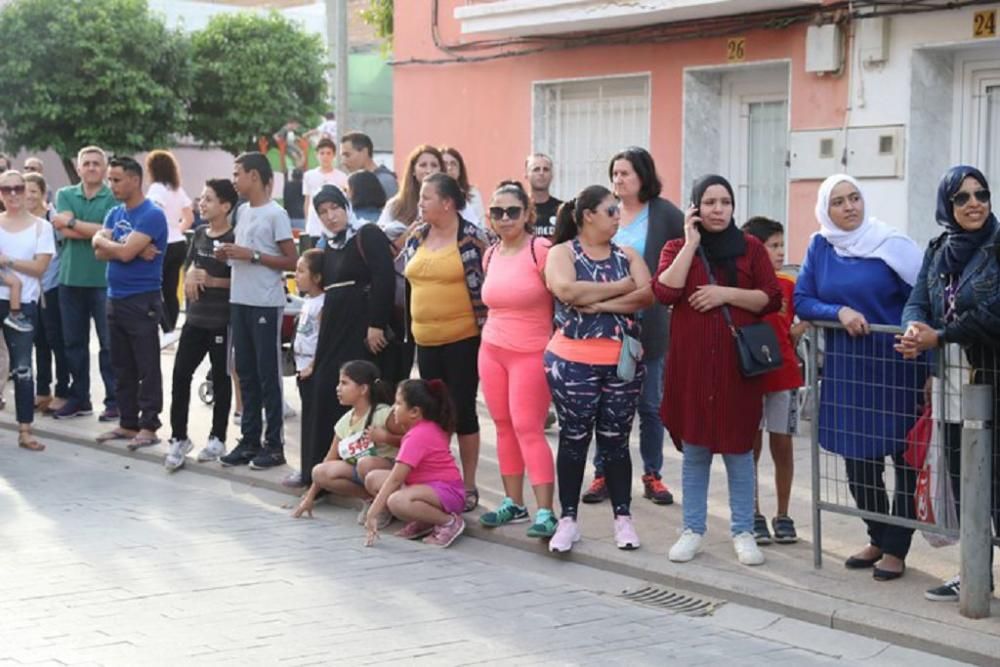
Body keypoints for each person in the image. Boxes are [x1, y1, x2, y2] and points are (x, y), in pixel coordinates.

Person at [795, 173, 924, 581]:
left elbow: (924, 300)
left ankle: (897, 549)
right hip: (850, 370)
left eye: (854, 198)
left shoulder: (892, 244)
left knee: (904, 459)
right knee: (858, 459)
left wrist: (930, 365)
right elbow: (802, 299)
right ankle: (877, 535)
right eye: (839, 201)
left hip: (898, 365)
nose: (850, 207)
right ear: (825, 209)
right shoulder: (821, 246)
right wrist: (840, 313)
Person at [653, 175, 782, 567]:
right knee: (695, 450)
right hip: (692, 368)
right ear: (695, 207)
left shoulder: (751, 248)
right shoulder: (677, 247)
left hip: (736, 369)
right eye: (709, 202)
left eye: (725, 202)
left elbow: (770, 297)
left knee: (739, 451)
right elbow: (665, 292)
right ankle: (692, 530)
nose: (718, 209)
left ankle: (743, 531)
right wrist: (691, 244)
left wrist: (724, 294)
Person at [896, 165, 1000, 601]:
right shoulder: (939, 249)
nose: (974, 203)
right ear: (947, 206)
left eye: (981, 194)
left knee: (996, 486)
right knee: (964, 481)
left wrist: (943, 335)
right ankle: (976, 573)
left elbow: (995, 312)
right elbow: (917, 298)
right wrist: (914, 331)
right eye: (962, 197)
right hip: (953, 385)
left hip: (992, 380)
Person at [544, 185, 653, 553]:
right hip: (572, 363)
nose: (617, 217)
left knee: (616, 442)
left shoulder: (628, 254)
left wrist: (602, 302)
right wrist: (621, 289)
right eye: (610, 211)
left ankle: (623, 519)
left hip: (621, 363)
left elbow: (647, 294)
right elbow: (566, 291)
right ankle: (568, 520)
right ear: (588, 215)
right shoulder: (562, 252)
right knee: (574, 440)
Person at [583, 147, 684, 507]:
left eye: (625, 173)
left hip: (649, 323)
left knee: (650, 406)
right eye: (615, 173)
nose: (618, 180)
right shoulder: (603, 212)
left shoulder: (665, 214)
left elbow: (686, 255)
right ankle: (602, 473)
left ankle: (652, 474)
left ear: (643, 176)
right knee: (605, 403)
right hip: (604, 322)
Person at [403, 172, 490, 512]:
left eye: (426, 197)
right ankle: (439, 480)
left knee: (463, 411)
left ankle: (468, 486)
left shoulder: (472, 238)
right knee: (433, 415)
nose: (420, 203)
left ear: (447, 203)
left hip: (462, 339)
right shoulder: (418, 234)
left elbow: (486, 284)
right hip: (426, 341)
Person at [477, 181, 557, 538]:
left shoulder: (541, 249)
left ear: (528, 214)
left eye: (512, 211)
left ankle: (546, 511)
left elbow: (564, 297)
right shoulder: (490, 254)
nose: (504, 218)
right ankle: (514, 503)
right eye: (497, 212)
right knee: (503, 425)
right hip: (491, 350)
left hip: (531, 352)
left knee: (528, 427)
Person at [302, 185, 395, 487]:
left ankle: (360, 472)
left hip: (360, 327)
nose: (330, 217)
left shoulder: (366, 234)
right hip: (334, 326)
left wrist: (376, 324)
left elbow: (383, 279)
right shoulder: (329, 244)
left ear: (346, 206)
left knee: (357, 392)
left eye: (335, 208)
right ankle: (318, 469)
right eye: (323, 212)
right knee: (323, 386)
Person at [216, 152, 298, 470]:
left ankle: (274, 445)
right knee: (245, 372)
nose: (234, 180)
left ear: (254, 175)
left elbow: (292, 260)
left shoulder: (276, 214)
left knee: (267, 376)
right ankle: (249, 440)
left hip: (265, 302)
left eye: (237, 174)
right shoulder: (242, 211)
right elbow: (245, 252)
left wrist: (252, 256)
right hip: (240, 299)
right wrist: (229, 255)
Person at [92, 156, 168, 450]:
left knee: (146, 364)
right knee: (121, 363)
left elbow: (119, 254)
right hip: (115, 296)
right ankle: (127, 422)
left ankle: (149, 425)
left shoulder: (151, 214)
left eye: (116, 179)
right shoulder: (114, 212)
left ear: (135, 180)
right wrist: (118, 246)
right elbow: (98, 251)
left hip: (141, 299)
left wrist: (113, 246)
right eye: (110, 179)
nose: (112, 185)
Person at [163, 179, 238, 471]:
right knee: (180, 375)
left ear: (225, 206)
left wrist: (212, 280)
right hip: (194, 319)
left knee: (220, 379)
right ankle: (179, 438)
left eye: (208, 199)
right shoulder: (200, 233)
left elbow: (242, 281)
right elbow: (190, 265)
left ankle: (218, 437)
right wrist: (193, 273)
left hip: (221, 321)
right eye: (201, 198)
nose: (202, 203)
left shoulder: (234, 237)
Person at [742, 216, 807, 545]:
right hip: (750, 376)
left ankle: (783, 514)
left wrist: (799, 329)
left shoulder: (788, 286)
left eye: (782, 245)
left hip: (784, 375)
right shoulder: (741, 287)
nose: (781, 252)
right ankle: (752, 512)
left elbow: (805, 311)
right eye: (774, 246)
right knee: (749, 447)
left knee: (782, 446)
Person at [51, 146, 118, 421]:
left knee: (109, 344)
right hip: (70, 280)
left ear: (104, 168)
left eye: (96, 163)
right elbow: (60, 228)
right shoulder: (64, 194)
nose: (91, 167)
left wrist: (75, 223)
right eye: (86, 163)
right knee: (73, 343)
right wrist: (95, 229)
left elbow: (111, 231)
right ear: (78, 169)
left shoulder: (114, 197)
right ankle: (79, 398)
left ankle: (115, 400)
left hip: (104, 281)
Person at [292, 360, 401, 522]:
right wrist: (310, 497)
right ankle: (371, 499)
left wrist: (386, 438)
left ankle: (383, 506)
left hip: (389, 471)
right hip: (362, 472)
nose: (338, 388)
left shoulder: (383, 414)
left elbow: (412, 441)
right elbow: (330, 458)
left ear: (363, 389)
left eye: (344, 383)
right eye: (339, 383)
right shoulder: (344, 421)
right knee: (320, 472)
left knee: (365, 464)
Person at [363, 378, 466, 548]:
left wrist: (372, 513)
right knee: (373, 478)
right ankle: (424, 520)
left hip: (448, 493)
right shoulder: (421, 429)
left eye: (398, 403)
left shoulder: (418, 435)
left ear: (414, 412)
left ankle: (449, 522)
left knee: (397, 501)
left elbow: (396, 479)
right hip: (425, 487)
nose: (393, 409)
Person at [0, 170, 54, 451]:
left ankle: (25, 430)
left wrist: (6, 261)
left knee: (23, 368)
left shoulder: (40, 228)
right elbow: (29, 265)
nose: (12, 194)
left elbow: (39, 268)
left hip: (24, 305)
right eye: (6, 189)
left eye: (18, 188)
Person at [25, 173, 69, 415]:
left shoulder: (54, 219)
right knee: (39, 341)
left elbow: (64, 248)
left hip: (54, 286)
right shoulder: (22, 220)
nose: (29, 195)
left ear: (43, 193)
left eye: (33, 190)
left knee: (57, 341)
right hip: (31, 289)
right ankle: (42, 391)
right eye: (25, 191)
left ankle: (63, 391)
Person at [282, 249, 325, 487]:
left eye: (301, 271)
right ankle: (306, 467)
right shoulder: (308, 301)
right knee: (306, 420)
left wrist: (313, 365)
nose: (295, 275)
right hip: (301, 366)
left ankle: (313, 470)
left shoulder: (324, 304)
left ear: (317, 277)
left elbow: (323, 339)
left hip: (311, 368)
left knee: (314, 421)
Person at [378, 145, 442, 230]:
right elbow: (381, 237)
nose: (429, 170)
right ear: (413, 170)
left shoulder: (450, 203)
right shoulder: (395, 205)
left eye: (434, 165)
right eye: (423, 165)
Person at [303, 138, 349, 248]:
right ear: (317, 155)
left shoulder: (342, 177)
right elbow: (307, 201)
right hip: (314, 226)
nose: (325, 156)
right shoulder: (309, 175)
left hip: (333, 225)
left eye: (328, 153)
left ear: (333, 155)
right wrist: (307, 222)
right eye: (322, 153)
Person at [340, 131, 398, 199]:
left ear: (364, 152)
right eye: (342, 156)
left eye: (347, 155)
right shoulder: (351, 182)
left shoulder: (385, 181)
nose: (343, 162)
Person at [441, 147, 484, 227]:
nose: (449, 168)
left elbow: (480, 224)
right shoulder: (430, 194)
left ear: (460, 170)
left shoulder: (473, 193)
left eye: (453, 164)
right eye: (444, 164)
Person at [525, 154, 561, 239]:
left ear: (552, 175)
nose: (541, 173)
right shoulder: (518, 210)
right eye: (536, 169)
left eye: (546, 169)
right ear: (526, 175)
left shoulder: (562, 210)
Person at [282, 168, 306, 233]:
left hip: (288, 217)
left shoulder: (287, 185)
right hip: (301, 217)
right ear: (302, 177)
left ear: (292, 176)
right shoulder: (304, 186)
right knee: (302, 240)